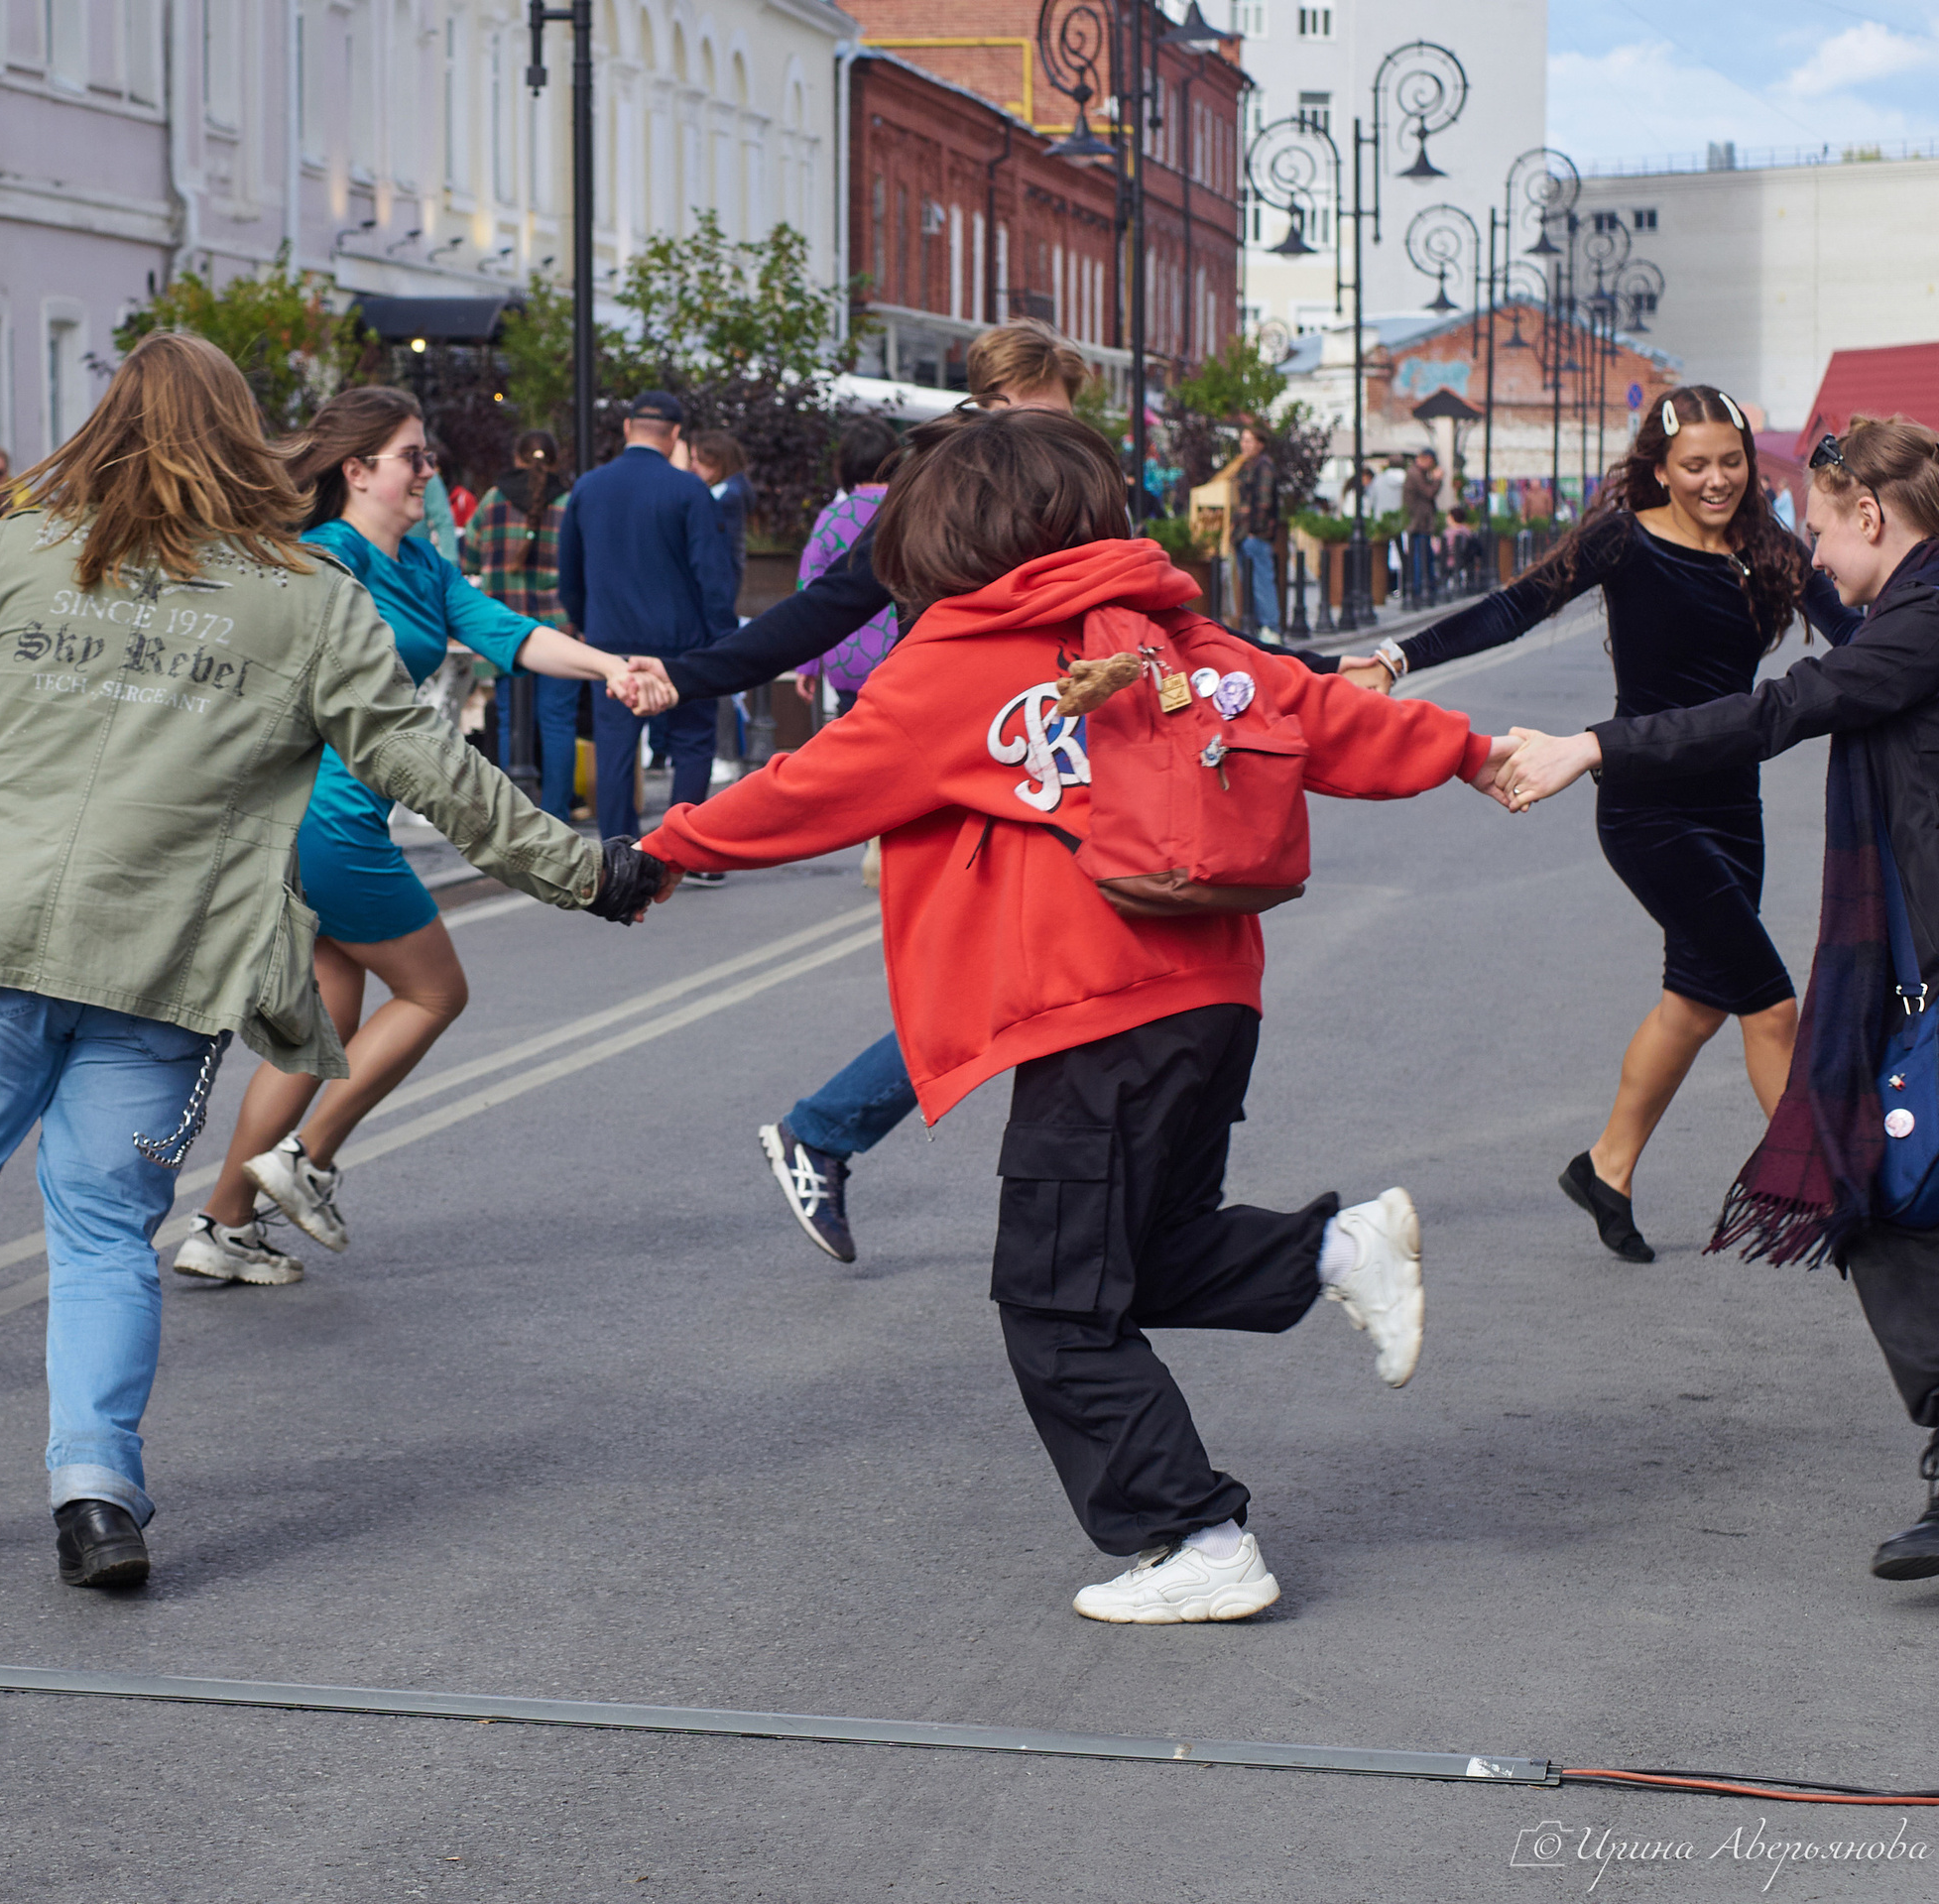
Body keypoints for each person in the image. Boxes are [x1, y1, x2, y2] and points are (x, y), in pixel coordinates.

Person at [0, 335, 669, 1587]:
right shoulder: (307, 600)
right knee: (102, 1231)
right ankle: (97, 1498)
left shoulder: (27, 552)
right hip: (171, 964)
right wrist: (587, 873)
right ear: (245, 440)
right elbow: (430, 768)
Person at [637, 408, 1515, 1623]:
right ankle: (1334, 1251)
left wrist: (663, 849)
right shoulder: (1174, 633)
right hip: (1212, 1001)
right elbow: (1326, 714)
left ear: (946, 536)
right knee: (1135, 1259)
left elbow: (815, 785)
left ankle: (1195, 1536)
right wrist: (1473, 751)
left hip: (1096, 1017)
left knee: (1052, 1301)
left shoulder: (958, 657)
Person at [622, 321, 1342, 1265]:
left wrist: (1313, 670)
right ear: (992, 407)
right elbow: (828, 608)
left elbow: (1165, 630)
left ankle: (847, 1137)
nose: (1058, 451)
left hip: (1047, 746)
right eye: (1038, 421)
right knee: (1020, 966)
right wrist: (692, 676)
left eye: (1068, 425)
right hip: (958, 736)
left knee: (1061, 965)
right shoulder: (951, 485)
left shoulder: (1077, 489)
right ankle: (833, 1134)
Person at [1496, 415, 1939, 1583]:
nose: (1809, 546)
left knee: (1878, 1179)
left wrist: (1592, 746)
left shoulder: (1922, 617)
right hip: (1894, 950)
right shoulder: (1909, 604)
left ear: (1873, 517)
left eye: (1820, 522)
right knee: (1873, 1171)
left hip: (1922, 959)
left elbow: (1778, 709)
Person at [1343, 386, 1858, 1260]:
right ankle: (1830, 1201)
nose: (1717, 479)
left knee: (1695, 1002)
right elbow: (1513, 606)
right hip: (1646, 804)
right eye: (1694, 464)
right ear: (1659, 468)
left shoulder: (1766, 545)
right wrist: (1397, 655)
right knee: (1768, 1006)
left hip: (1735, 805)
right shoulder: (1622, 538)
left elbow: (1859, 639)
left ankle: (1606, 1168)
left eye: (1730, 461)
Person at [169, 388, 666, 1284]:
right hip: (325, 820)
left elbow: (505, 634)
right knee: (436, 993)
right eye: (413, 457)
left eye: (427, 456)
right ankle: (305, 1161)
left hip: (332, 822)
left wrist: (607, 665)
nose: (429, 473)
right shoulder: (321, 560)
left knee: (324, 1024)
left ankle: (220, 1228)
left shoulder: (423, 565)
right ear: (355, 471)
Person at [558, 390, 738, 843]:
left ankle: (619, 848)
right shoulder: (689, 490)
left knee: (616, 748)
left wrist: (586, 626)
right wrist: (722, 640)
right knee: (692, 742)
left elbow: (569, 574)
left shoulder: (588, 487)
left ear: (626, 428)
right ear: (675, 434)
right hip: (682, 642)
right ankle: (683, 845)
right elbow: (711, 576)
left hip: (610, 640)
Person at [480, 429, 584, 820]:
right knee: (557, 721)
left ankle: (516, 815)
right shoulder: (569, 503)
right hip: (559, 629)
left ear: (516, 457)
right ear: (555, 460)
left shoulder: (492, 500)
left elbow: (471, 555)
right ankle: (556, 812)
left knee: (511, 720)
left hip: (503, 626)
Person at [796, 416, 899, 712]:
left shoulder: (832, 517)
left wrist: (806, 663)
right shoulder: (910, 510)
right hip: (902, 654)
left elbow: (810, 590)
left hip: (845, 659)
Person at [689, 428, 755, 603]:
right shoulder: (731, 489)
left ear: (715, 460)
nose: (692, 466)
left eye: (697, 459)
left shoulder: (726, 495)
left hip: (718, 581)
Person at [1231, 423, 1281, 638]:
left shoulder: (1264, 466)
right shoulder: (1246, 465)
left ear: (1260, 444)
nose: (1244, 444)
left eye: (1249, 440)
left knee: (1262, 583)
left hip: (1255, 536)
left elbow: (1264, 502)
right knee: (1252, 584)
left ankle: (1271, 629)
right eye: (1243, 439)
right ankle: (1262, 628)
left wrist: (1253, 530)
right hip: (1244, 535)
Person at [1402, 446, 1443, 604]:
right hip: (1417, 524)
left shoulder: (1418, 473)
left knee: (1425, 557)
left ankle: (1425, 588)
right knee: (1420, 558)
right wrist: (1437, 479)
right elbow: (1428, 493)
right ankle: (1419, 591)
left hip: (1422, 523)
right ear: (1426, 459)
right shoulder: (1414, 473)